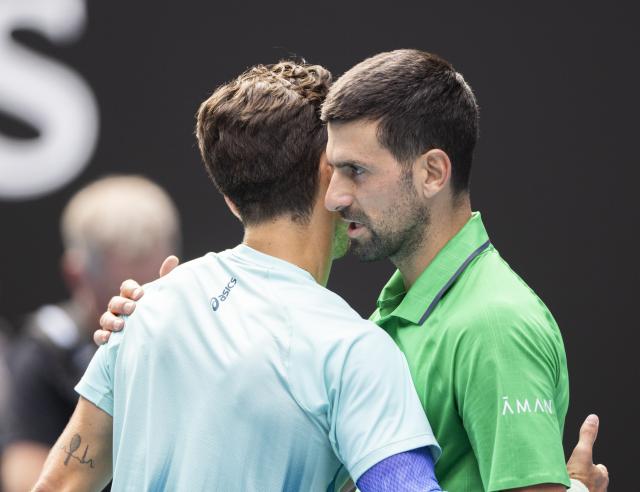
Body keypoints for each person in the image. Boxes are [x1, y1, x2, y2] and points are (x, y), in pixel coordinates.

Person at [98, 50, 609, 492]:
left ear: (433, 172)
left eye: (356, 172)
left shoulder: (496, 323)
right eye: (334, 169)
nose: (336, 196)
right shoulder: (384, 317)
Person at [33, 62, 444, 492]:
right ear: (329, 174)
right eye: (350, 165)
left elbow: (58, 485)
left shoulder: (144, 310)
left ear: (231, 199)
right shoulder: (353, 351)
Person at [0, 175, 180, 492]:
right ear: (76, 274)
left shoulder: (207, 333)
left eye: (153, 293)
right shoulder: (46, 353)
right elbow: (27, 478)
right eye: (117, 298)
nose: (133, 314)